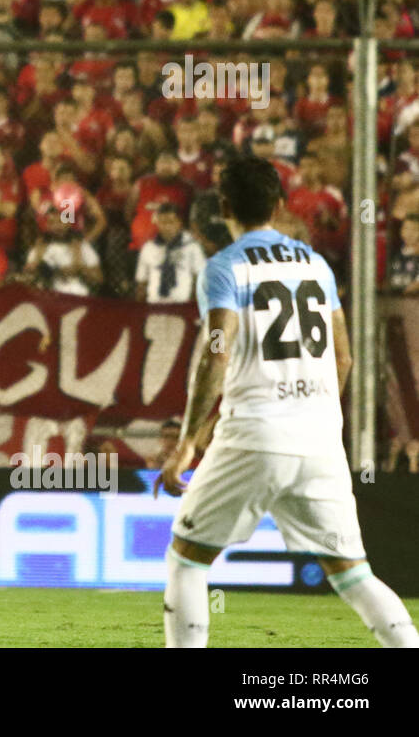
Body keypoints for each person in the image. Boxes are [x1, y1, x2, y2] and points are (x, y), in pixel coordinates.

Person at [156, 157, 418, 648]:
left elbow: (217, 354)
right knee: (354, 575)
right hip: (320, 439)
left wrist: (189, 438)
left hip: (255, 430)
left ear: (225, 207)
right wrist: (312, 410)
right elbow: (343, 359)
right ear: (279, 206)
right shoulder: (316, 265)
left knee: (187, 558)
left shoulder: (225, 268)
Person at [134, 203, 207, 303]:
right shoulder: (148, 248)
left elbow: (200, 280)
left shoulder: (192, 247)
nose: (167, 227)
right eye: (163, 222)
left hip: (182, 306)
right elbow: (142, 283)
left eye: (171, 222)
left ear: (179, 223)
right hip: (154, 307)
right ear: (157, 223)